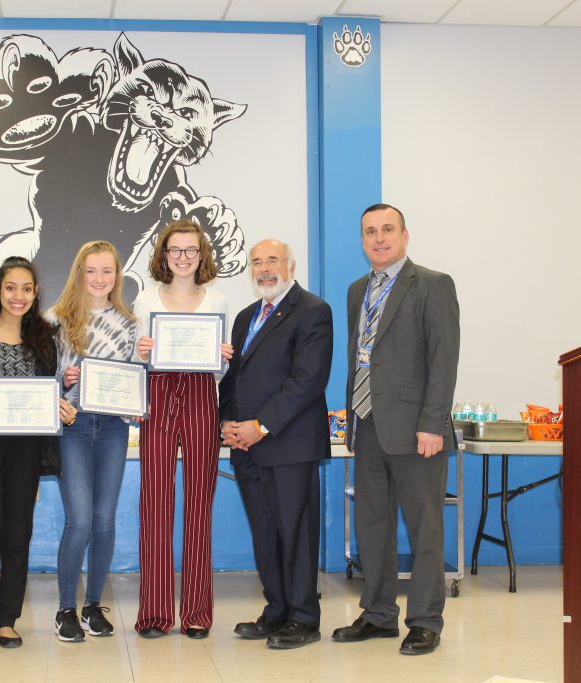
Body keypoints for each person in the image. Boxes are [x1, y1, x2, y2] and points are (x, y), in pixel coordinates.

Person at [330, 203, 459, 656]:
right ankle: (379, 614)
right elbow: (363, 357)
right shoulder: (355, 291)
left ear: (406, 235)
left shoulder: (432, 285)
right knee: (372, 526)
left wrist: (432, 424)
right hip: (366, 426)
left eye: (388, 230)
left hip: (416, 431)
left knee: (424, 528)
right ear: (362, 240)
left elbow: (443, 362)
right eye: (370, 232)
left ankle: (425, 621)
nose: (379, 238)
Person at [0, 256, 77, 650]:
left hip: (27, 448)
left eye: (26, 289)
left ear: (35, 293)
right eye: (10, 288)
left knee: (17, 534)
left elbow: (54, 388)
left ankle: (8, 618)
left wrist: (65, 399)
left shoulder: (46, 337)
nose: (18, 296)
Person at [219, 238, 332, 650]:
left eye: (272, 260)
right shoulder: (247, 316)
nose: (265, 268)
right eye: (257, 262)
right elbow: (236, 379)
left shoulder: (313, 311)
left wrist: (260, 426)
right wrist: (226, 422)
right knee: (265, 533)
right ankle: (277, 610)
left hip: (289, 445)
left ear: (290, 265)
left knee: (296, 533)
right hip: (246, 447)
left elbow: (306, 381)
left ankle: (304, 618)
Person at [132, 220, 233, 639]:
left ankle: (196, 613)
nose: (184, 257)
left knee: (198, 504)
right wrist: (138, 351)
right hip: (157, 392)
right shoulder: (143, 299)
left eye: (191, 250)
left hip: (199, 394)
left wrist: (225, 356)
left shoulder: (219, 299)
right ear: (164, 254)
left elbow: (221, 368)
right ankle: (154, 612)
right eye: (176, 250)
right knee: (154, 501)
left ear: (202, 254)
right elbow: (135, 359)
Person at [47, 242, 138, 643]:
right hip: (74, 426)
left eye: (107, 271)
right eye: (91, 271)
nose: (100, 279)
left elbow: (137, 377)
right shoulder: (56, 319)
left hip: (115, 428)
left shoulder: (131, 323)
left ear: (116, 276)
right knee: (80, 519)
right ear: (79, 274)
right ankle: (66, 608)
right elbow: (41, 379)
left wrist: (138, 402)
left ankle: (92, 605)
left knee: (104, 521)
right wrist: (60, 382)